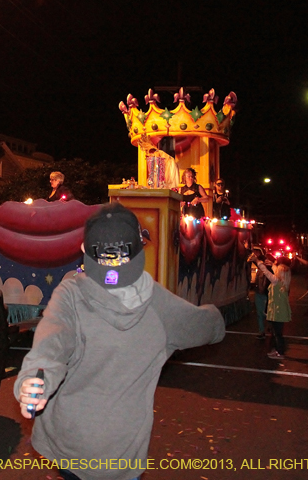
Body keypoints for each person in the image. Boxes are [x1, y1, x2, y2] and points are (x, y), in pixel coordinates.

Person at [14, 202, 225, 480]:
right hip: (118, 452)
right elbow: (208, 327)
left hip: (68, 441)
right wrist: (215, 315)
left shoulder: (70, 293)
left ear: (82, 251)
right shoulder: (161, 307)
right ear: (141, 248)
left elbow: (52, 340)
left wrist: (35, 377)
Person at [249, 253, 291, 359]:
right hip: (279, 310)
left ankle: (280, 352)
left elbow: (266, 272)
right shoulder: (283, 282)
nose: (276, 271)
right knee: (276, 332)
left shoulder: (276, 281)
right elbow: (273, 270)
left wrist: (257, 261)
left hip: (277, 311)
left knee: (277, 334)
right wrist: (272, 263)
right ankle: (277, 350)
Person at [252, 252, 272, 339]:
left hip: (266, 294)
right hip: (259, 293)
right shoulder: (260, 270)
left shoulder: (271, 271)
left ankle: (270, 329)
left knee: (267, 313)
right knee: (260, 313)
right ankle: (262, 331)